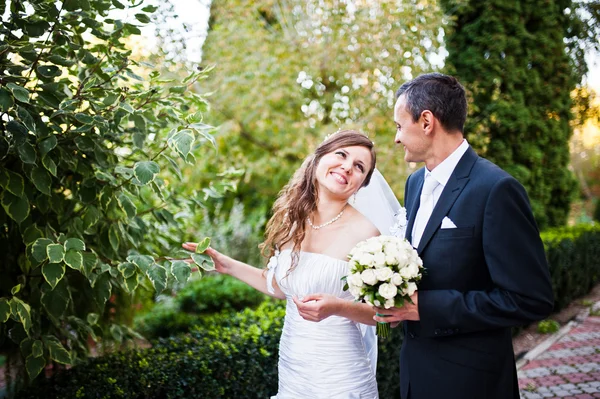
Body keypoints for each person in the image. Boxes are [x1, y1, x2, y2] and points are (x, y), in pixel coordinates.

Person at [373, 73, 554, 399]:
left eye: (400, 126)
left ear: (427, 121)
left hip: (471, 382)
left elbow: (531, 299)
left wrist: (425, 308)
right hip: (416, 376)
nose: (396, 138)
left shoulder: (495, 189)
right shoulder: (414, 184)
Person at [183, 130, 386, 398]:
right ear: (319, 158)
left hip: (340, 376)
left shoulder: (368, 233)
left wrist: (338, 307)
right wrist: (227, 265)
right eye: (341, 154)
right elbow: (281, 287)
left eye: (359, 167)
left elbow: (385, 316)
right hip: (293, 369)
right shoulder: (294, 220)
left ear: (362, 183)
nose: (347, 167)